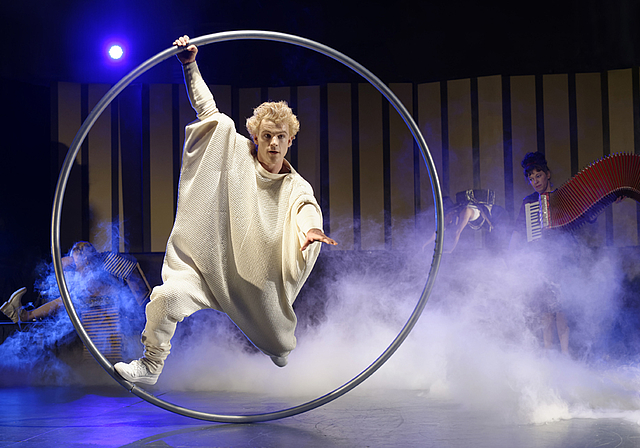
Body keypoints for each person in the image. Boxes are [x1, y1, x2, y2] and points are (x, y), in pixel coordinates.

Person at [115, 36, 337, 385]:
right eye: (267, 136)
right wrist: (189, 65)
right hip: (209, 266)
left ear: (290, 140)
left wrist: (310, 231)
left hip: (256, 279)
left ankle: (278, 346)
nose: (274, 143)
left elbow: (306, 208)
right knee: (165, 299)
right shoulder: (232, 150)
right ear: (256, 137)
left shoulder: (296, 186)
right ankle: (151, 365)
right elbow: (208, 110)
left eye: (281, 137)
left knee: (279, 347)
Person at [510, 152, 571, 355]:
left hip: (562, 261)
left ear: (548, 175)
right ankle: (548, 355)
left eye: (538, 176)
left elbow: (586, 217)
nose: (535, 181)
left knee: (561, 312)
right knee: (545, 314)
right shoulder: (528, 203)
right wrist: (511, 255)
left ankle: (565, 356)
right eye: (531, 178)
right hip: (541, 263)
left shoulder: (563, 197)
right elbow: (518, 231)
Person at [0, 242, 110, 323]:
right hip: (85, 309)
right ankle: (23, 315)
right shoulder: (78, 273)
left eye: (75, 256)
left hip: (102, 308)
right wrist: (73, 261)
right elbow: (62, 264)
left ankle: (24, 315)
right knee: (66, 298)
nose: (72, 260)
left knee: (68, 298)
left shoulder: (95, 274)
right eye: (72, 255)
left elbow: (89, 289)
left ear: (86, 259)